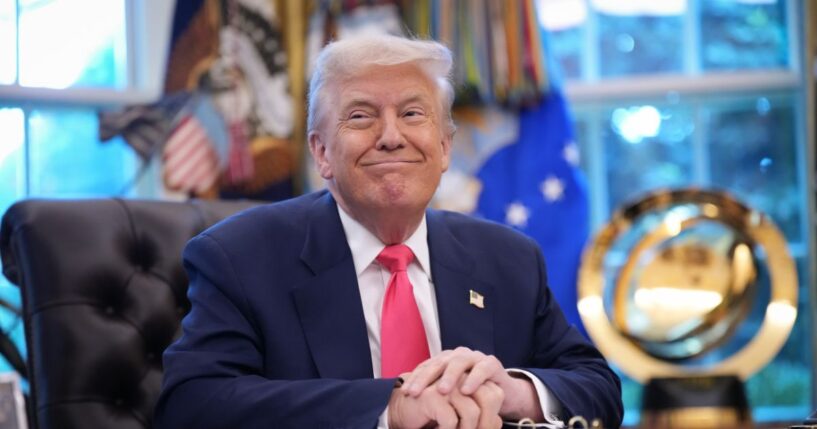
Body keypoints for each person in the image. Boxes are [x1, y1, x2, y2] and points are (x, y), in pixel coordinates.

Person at [155, 35, 623, 429]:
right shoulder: (239, 256)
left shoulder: (507, 257)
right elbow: (191, 404)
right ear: (321, 154)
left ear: (443, 148)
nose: (391, 136)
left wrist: (515, 391)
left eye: (413, 114)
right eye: (360, 116)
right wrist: (389, 406)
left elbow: (598, 386)